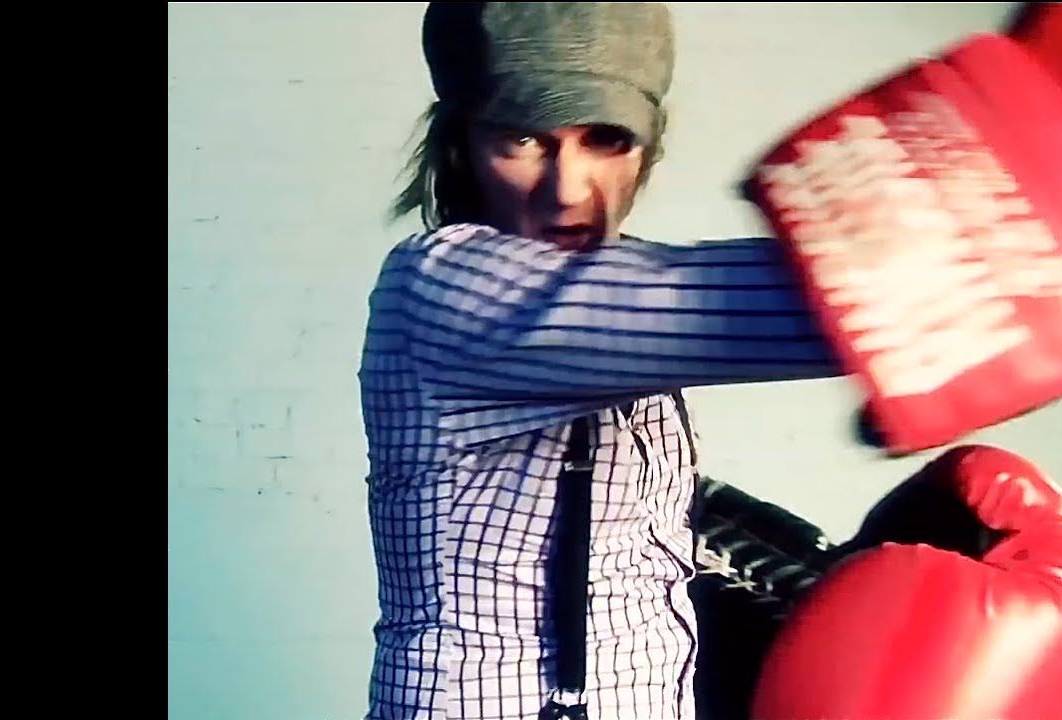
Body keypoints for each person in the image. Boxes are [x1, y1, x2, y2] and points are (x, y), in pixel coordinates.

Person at [359, 3, 846, 719]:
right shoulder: (442, 287)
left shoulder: (614, 302)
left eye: (605, 139)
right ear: (460, 145)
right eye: (523, 139)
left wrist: (839, 567)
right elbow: (810, 305)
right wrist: (996, 225)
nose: (566, 189)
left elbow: (635, 550)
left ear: (648, 148)